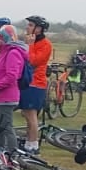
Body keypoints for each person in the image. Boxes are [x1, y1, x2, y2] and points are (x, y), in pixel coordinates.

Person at [0, 24, 27, 153]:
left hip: (6, 97)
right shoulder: (5, 52)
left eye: (0, 38)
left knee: (7, 127)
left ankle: (12, 154)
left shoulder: (13, 53)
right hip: (0, 98)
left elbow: (12, 76)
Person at [19, 15, 53, 151]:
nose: (28, 27)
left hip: (35, 83)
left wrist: (30, 45)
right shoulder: (28, 41)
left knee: (31, 115)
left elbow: (32, 61)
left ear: (39, 29)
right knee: (26, 115)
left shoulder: (45, 45)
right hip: (26, 81)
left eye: (31, 25)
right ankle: (29, 141)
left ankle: (33, 145)